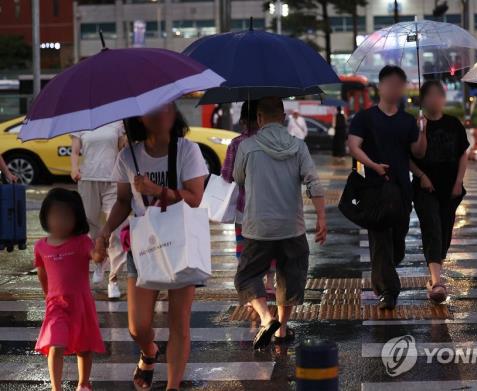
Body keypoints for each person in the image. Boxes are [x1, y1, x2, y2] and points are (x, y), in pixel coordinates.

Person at [92, 103, 208, 389]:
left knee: (179, 323)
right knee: (137, 327)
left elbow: (195, 197)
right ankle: (149, 351)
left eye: (167, 108)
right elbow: (122, 201)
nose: (162, 114)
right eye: (154, 110)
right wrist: (105, 232)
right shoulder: (128, 156)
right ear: (139, 118)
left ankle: (172, 385)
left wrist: (157, 191)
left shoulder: (187, 150)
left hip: (181, 243)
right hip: (144, 245)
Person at [233, 97, 327, 349]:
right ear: (283, 117)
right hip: (291, 227)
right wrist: (321, 217)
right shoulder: (298, 146)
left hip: (257, 228)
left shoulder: (247, 146)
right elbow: (313, 183)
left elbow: (237, 178)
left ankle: (266, 317)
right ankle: (282, 330)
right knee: (289, 278)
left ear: (259, 119)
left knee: (247, 276)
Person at [348, 65, 427, 310]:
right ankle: (389, 291)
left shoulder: (407, 121)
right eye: (390, 84)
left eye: (398, 84)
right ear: (380, 86)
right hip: (374, 189)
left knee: (397, 245)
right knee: (380, 239)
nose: (394, 89)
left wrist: (422, 131)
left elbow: (417, 153)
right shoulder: (365, 118)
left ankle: (380, 275)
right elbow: (354, 146)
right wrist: (373, 164)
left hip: (403, 190)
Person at [35, 188, 105, 391]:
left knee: (84, 347)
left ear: (76, 219)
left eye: (65, 216)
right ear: (45, 217)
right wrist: (47, 294)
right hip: (56, 305)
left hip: (80, 304)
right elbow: (42, 273)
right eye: (54, 215)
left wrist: (101, 249)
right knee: (55, 345)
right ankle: (56, 387)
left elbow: (96, 256)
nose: (59, 221)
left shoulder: (82, 242)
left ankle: (83, 383)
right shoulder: (41, 246)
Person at [409, 80, 469, 303]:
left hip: (450, 188)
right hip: (425, 189)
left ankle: (434, 273)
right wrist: (422, 176)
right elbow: (409, 157)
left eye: (439, 95)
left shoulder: (453, 124)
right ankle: (437, 281)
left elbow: (463, 154)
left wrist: (458, 182)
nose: (435, 99)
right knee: (432, 227)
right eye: (430, 95)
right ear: (423, 99)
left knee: (444, 231)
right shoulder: (416, 125)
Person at [221, 101, 275, 293]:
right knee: (270, 244)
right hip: (271, 206)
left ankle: (252, 283)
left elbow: (227, 175)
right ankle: (270, 282)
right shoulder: (273, 141)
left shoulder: (237, 143)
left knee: (245, 247)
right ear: (261, 119)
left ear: (243, 120)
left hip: (245, 208)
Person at [71, 121, 127, 299]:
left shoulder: (118, 121)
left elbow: (122, 149)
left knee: (115, 230)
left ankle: (113, 280)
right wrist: (74, 168)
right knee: (91, 223)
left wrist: (126, 139)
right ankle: (99, 260)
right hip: (88, 179)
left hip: (113, 179)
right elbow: (74, 151)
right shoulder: (80, 122)